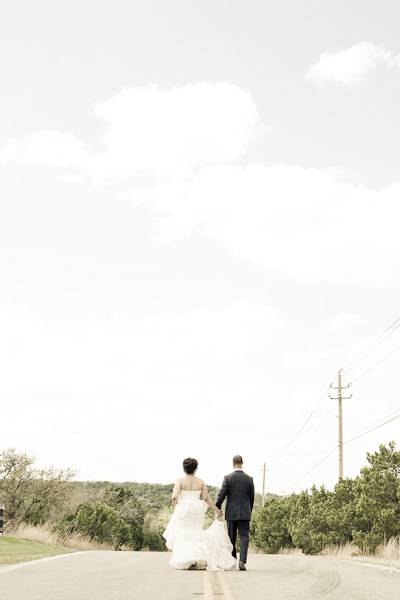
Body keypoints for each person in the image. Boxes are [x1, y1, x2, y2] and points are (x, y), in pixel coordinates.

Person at [163, 457, 237, 571]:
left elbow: (174, 497)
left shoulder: (180, 481)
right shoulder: (200, 482)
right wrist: (217, 510)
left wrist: (177, 506)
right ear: (195, 469)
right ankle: (197, 558)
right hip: (197, 509)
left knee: (184, 533)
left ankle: (188, 559)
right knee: (196, 533)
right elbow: (206, 498)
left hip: (184, 509)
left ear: (184, 468)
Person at [216, 455, 255, 571]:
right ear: (242, 463)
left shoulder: (227, 478)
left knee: (231, 537)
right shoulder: (249, 479)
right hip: (245, 512)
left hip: (231, 513)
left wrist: (217, 507)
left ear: (233, 464)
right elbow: (251, 498)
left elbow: (221, 495)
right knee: (244, 536)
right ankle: (242, 561)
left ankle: (232, 560)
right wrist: (249, 511)